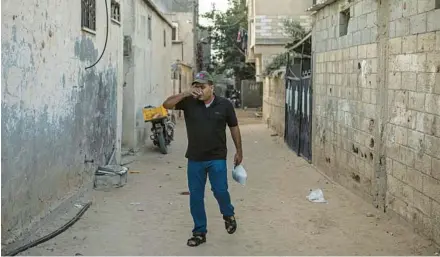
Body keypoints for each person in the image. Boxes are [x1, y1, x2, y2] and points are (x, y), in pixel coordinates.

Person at [163, 71, 243, 247]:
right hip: (195, 158)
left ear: (211, 88)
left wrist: (239, 150)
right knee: (196, 197)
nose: (199, 90)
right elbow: (166, 104)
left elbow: (234, 127)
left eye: (202, 86)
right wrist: (185, 93)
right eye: (196, 86)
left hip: (217, 157)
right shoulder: (189, 102)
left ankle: (228, 214)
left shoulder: (225, 105)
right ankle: (199, 232)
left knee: (220, 190)